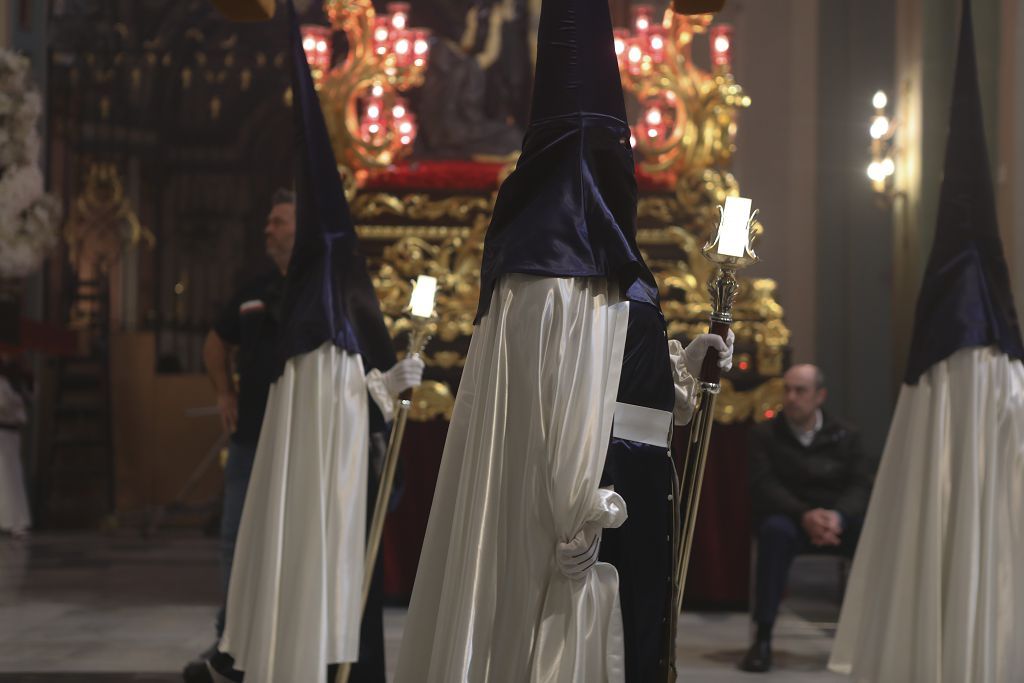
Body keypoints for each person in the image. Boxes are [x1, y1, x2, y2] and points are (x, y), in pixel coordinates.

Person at [393, 0, 732, 680]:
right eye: (607, 153)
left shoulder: (611, 279)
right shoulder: (543, 287)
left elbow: (618, 388)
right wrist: (576, 514)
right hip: (576, 527)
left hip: (632, 517)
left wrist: (685, 372)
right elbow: (553, 417)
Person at [208, 2, 423, 681]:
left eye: (283, 219)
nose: (274, 229)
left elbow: (377, 381)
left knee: (334, 573)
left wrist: (395, 385)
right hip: (275, 450)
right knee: (266, 552)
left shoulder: (346, 301)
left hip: (342, 477)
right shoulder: (271, 294)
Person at [829, 3, 1024, 680]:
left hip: (962, 415)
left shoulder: (952, 331)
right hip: (986, 438)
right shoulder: (998, 345)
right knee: (974, 538)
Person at [740, 364, 875, 673]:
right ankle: (762, 639)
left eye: (800, 390)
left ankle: (865, 638)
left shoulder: (846, 434)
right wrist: (805, 515)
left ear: (820, 396)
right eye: (786, 389)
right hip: (789, 518)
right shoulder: (764, 435)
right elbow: (763, 486)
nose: (791, 397)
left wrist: (837, 516)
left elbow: (860, 484)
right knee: (774, 533)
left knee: (873, 535)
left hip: (836, 520)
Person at [0, 354, 31, 538]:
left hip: (11, 433)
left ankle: (16, 520)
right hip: (3, 432)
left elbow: (22, 409)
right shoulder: (4, 384)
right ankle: (10, 521)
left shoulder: (12, 384)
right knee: (6, 476)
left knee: (12, 475)